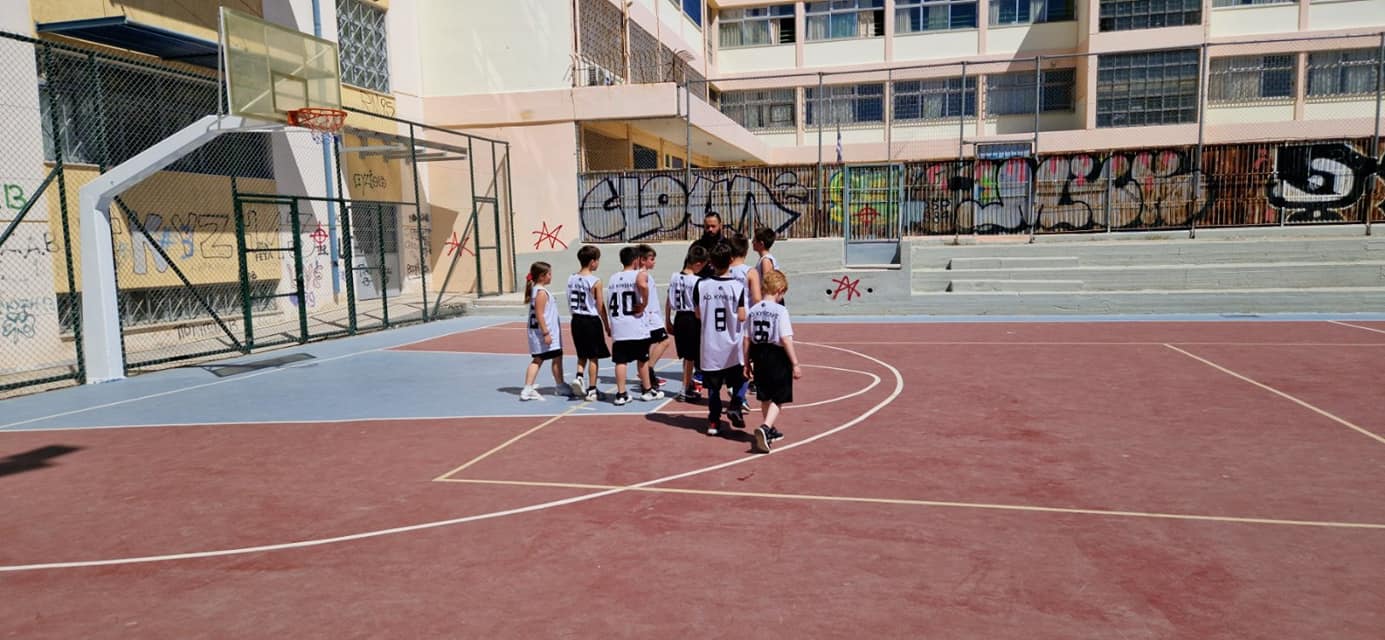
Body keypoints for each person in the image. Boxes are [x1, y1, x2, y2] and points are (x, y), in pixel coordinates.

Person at [694, 242, 748, 436]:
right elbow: (742, 316)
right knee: (742, 379)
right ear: (731, 261)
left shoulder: (701, 285)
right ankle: (735, 404)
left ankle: (714, 421)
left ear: (710, 262)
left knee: (713, 389)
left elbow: (698, 314)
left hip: (710, 344)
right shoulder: (737, 286)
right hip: (732, 344)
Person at [745, 269, 801, 453]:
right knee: (779, 396)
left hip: (759, 354)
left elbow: (746, 338)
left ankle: (769, 428)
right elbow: (785, 338)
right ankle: (766, 427)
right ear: (779, 290)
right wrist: (795, 363)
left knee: (765, 394)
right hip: (776, 355)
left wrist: (746, 362)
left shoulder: (753, 310)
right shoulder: (780, 310)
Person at [602, 246, 662, 406]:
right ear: (636, 260)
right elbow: (642, 285)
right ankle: (647, 390)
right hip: (635, 325)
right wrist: (644, 304)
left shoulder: (613, 278)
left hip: (619, 325)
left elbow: (608, 300)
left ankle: (621, 394)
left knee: (620, 361)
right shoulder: (639, 274)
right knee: (642, 359)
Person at [520, 261, 569, 401]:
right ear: (541, 276)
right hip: (544, 333)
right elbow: (540, 314)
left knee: (544, 358)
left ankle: (531, 387)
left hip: (538, 332)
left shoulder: (536, 290)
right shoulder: (541, 292)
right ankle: (557, 386)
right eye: (549, 274)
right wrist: (546, 333)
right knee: (549, 358)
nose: (551, 276)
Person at [567, 245, 610, 401]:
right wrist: (606, 324)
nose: (598, 263)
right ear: (592, 262)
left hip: (576, 320)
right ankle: (592, 389)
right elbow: (600, 306)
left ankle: (579, 376)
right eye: (597, 260)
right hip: (590, 320)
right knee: (593, 356)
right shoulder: (595, 281)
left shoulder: (571, 278)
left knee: (582, 353)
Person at [667, 244, 708, 402]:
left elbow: (669, 300)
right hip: (692, 319)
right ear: (698, 263)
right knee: (692, 356)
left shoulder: (674, 277)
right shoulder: (697, 281)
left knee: (686, 356)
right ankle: (685, 389)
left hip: (679, 317)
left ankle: (688, 384)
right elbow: (698, 308)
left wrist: (667, 320)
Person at [726, 232, 759, 411]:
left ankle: (734, 389)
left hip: (725, 322)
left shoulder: (723, 271)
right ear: (746, 250)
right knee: (746, 361)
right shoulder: (749, 272)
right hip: (743, 321)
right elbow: (757, 299)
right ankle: (739, 396)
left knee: (728, 359)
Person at [637, 244, 672, 393]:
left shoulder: (642, 274)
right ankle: (648, 370)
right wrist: (645, 307)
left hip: (650, 315)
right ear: (642, 260)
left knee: (646, 347)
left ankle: (647, 373)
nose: (654, 262)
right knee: (665, 341)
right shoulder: (642, 275)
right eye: (651, 259)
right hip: (649, 316)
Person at [691, 212, 725, 278]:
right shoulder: (697, 246)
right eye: (707, 227)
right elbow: (688, 268)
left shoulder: (727, 245)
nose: (710, 229)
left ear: (720, 226)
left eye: (713, 226)